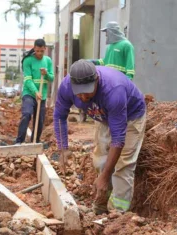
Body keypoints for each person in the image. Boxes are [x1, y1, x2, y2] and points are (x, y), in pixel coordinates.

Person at [54, 60, 146, 215]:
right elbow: (59, 117)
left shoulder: (114, 90)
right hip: (102, 116)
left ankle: (117, 213)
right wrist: (63, 149)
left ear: (96, 80)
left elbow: (118, 139)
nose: (83, 97)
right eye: (79, 92)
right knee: (100, 161)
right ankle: (102, 206)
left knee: (123, 165)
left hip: (131, 116)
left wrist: (104, 176)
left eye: (87, 91)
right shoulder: (66, 86)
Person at [16, 39, 54, 144]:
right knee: (27, 114)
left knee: (40, 120)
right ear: (34, 48)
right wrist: (36, 92)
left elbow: (51, 78)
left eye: (41, 51)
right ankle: (19, 141)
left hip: (42, 95)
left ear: (45, 49)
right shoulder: (28, 60)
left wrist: (46, 73)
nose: (39, 53)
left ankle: (35, 141)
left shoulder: (48, 60)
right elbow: (28, 79)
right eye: (37, 51)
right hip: (29, 93)